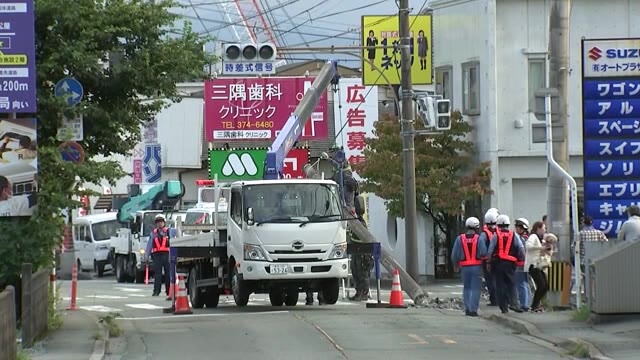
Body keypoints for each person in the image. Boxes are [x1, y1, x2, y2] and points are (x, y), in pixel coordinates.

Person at [487, 214, 525, 314]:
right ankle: (514, 304)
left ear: (498, 225)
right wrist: (522, 259)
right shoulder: (514, 235)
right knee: (512, 284)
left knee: (500, 285)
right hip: (511, 263)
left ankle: (503, 307)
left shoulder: (496, 235)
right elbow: (520, 248)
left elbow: (490, 250)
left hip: (498, 263)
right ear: (508, 224)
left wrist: (488, 262)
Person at [451, 216, 486, 317]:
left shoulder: (459, 239)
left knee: (466, 287)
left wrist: (456, 265)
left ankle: (467, 308)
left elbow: (454, 255)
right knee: (475, 288)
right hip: (476, 267)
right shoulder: (479, 239)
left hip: (464, 267)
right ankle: (473, 309)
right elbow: (483, 252)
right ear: (476, 227)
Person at [348, 191, 373, 301]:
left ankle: (364, 293)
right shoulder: (355, 221)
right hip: (355, 250)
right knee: (355, 270)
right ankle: (358, 291)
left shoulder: (360, 223)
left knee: (362, 272)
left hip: (362, 251)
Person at [145, 214, 173, 297]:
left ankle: (169, 291)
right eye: (158, 222)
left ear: (164, 222)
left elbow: (176, 237)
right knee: (158, 274)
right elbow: (149, 245)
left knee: (168, 274)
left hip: (167, 255)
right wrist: (147, 255)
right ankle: (156, 291)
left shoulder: (169, 231)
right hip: (157, 255)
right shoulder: (153, 233)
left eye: (161, 222)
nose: (159, 224)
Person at [525, 221, 550, 312]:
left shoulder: (541, 239)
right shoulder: (533, 236)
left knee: (545, 285)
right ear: (538, 228)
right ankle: (534, 305)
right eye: (543, 228)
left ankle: (536, 304)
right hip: (533, 265)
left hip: (538, 265)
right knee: (541, 285)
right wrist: (540, 248)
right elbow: (528, 246)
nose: (545, 230)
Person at [480, 209, 499, 306]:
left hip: (487, 260)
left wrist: (485, 258)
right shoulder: (498, 232)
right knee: (497, 280)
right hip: (497, 259)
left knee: (490, 280)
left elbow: (482, 249)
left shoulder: (484, 234)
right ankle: (499, 299)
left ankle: (494, 300)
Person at [514, 218, 531, 311]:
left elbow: (521, 251)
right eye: (517, 226)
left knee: (521, 284)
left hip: (520, 263)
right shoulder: (526, 238)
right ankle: (527, 302)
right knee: (525, 283)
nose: (517, 228)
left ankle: (524, 304)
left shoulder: (521, 239)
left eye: (519, 227)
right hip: (525, 263)